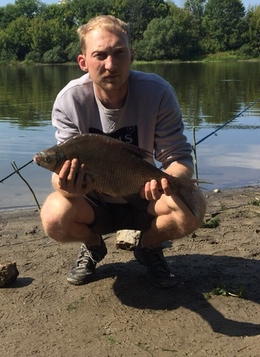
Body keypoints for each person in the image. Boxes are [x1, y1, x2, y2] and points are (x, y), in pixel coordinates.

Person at [39, 15, 206, 287]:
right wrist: (68, 186)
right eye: (100, 55)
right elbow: (62, 176)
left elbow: (179, 159)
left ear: (132, 56)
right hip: (94, 199)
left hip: (143, 195)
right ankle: (93, 247)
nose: (110, 64)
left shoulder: (158, 92)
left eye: (119, 53)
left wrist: (166, 181)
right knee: (54, 216)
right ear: (83, 62)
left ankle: (149, 246)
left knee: (193, 207)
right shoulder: (69, 100)